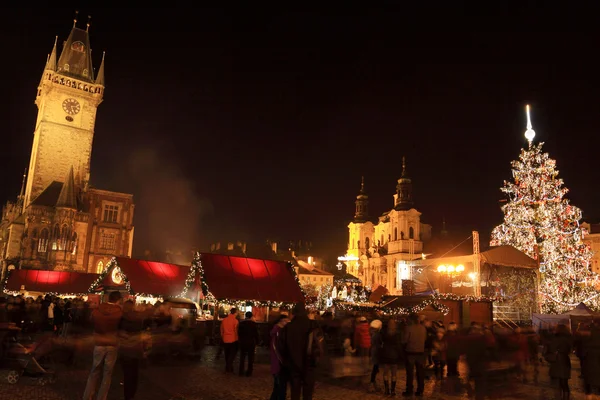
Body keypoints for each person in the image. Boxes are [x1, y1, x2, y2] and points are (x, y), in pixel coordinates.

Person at [83, 291, 124, 400]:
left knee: (94, 370)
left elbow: (91, 321)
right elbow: (122, 326)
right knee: (107, 373)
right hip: (112, 343)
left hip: (99, 342)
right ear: (118, 300)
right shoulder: (119, 312)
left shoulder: (97, 310)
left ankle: (87, 396)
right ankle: (101, 397)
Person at [281, 302, 321, 400]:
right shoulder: (313, 325)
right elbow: (320, 344)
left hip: (293, 364)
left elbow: (282, 347)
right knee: (308, 393)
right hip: (309, 363)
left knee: (295, 391)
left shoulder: (288, 327)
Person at [119, 300, 146, 400]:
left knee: (127, 376)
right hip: (135, 351)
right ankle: (131, 396)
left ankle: (127, 396)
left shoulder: (121, 318)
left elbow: (119, 333)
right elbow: (140, 334)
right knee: (134, 376)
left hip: (125, 351)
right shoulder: (138, 319)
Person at [402, 313, 426, 397]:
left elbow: (404, 340)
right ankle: (420, 390)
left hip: (410, 352)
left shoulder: (408, 328)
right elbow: (425, 339)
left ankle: (409, 390)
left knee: (410, 373)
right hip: (421, 352)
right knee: (420, 372)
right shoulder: (423, 328)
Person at [546, 324, 573, 400]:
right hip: (565, 360)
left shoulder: (555, 338)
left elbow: (550, 348)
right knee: (564, 383)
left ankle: (559, 397)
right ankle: (566, 397)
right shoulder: (569, 338)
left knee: (558, 383)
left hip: (556, 361)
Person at [270, 315, 290, 400]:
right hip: (279, 363)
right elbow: (277, 349)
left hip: (277, 363)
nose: (288, 323)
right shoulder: (278, 332)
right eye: (286, 321)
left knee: (278, 386)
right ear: (281, 321)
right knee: (281, 386)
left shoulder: (278, 331)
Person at [381, 319, 403, 396]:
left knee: (385, 372)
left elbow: (382, 342)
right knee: (394, 373)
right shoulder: (397, 333)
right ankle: (393, 390)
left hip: (386, 354)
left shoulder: (384, 332)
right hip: (394, 355)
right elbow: (399, 345)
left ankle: (387, 389)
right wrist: (401, 355)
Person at [238, 311, 260, 376]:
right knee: (251, 358)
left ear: (245, 316)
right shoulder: (253, 324)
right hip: (251, 342)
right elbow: (256, 334)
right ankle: (249, 372)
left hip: (243, 342)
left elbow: (239, 333)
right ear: (251, 316)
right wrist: (257, 341)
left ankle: (241, 371)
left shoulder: (241, 324)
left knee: (242, 357)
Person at [220, 307, 239, 373]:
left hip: (225, 339)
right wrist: (238, 338)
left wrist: (222, 336)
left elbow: (221, 330)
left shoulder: (224, 320)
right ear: (235, 313)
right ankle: (229, 367)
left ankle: (228, 367)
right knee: (232, 354)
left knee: (227, 354)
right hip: (233, 339)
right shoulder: (235, 321)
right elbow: (236, 331)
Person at [369, 319, 383, 392]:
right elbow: (380, 344)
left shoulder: (373, 334)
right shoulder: (377, 335)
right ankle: (372, 384)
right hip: (376, 352)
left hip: (374, 352)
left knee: (375, 368)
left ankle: (374, 384)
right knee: (375, 369)